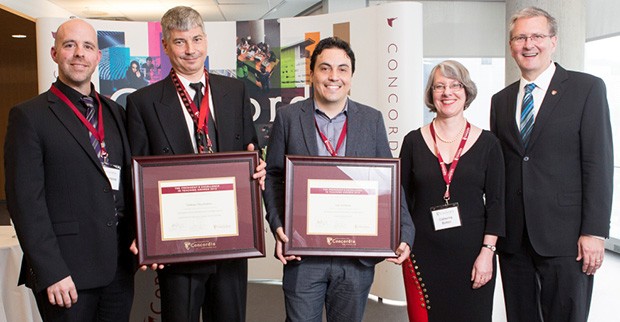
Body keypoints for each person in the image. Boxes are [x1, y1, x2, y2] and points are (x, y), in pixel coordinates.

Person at [125, 6, 265, 322]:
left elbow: (250, 148)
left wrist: (257, 166)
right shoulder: (143, 103)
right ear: (165, 46)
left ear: (206, 40)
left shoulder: (235, 91)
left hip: (231, 239)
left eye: (197, 39)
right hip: (178, 246)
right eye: (180, 42)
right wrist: (145, 234)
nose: (190, 50)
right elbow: (136, 179)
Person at [263, 37, 414, 322]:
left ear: (351, 77)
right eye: (325, 68)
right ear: (312, 74)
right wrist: (278, 224)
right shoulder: (288, 118)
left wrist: (404, 230)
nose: (334, 77)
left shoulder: (372, 120)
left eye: (342, 69)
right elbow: (273, 176)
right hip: (304, 255)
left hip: (355, 258)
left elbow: (389, 181)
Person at [4, 18, 135, 322]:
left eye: (88, 46)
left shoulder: (116, 112)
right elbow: (25, 203)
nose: (79, 53)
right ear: (54, 53)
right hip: (66, 275)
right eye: (69, 45)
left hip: (118, 269)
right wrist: (52, 271)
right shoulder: (29, 116)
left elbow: (132, 182)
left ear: (98, 58)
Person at [490, 7, 613, 322]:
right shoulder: (500, 101)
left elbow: (598, 164)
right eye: (520, 37)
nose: (528, 44)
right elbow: (502, 169)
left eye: (537, 36)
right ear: (511, 45)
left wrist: (595, 232)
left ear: (553, 41)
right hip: (514, 239)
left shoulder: (587, 89)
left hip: (567, 238)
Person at [399, 60, 505, 322]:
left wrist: (487, 253)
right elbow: (400, 199)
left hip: (472, 256)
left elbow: (497, 203)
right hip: (421, 255)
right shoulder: (413, 141)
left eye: (455, 85)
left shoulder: (488, 143)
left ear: (466, 91)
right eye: (439, 86)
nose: (447, 92)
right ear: (431, 94)